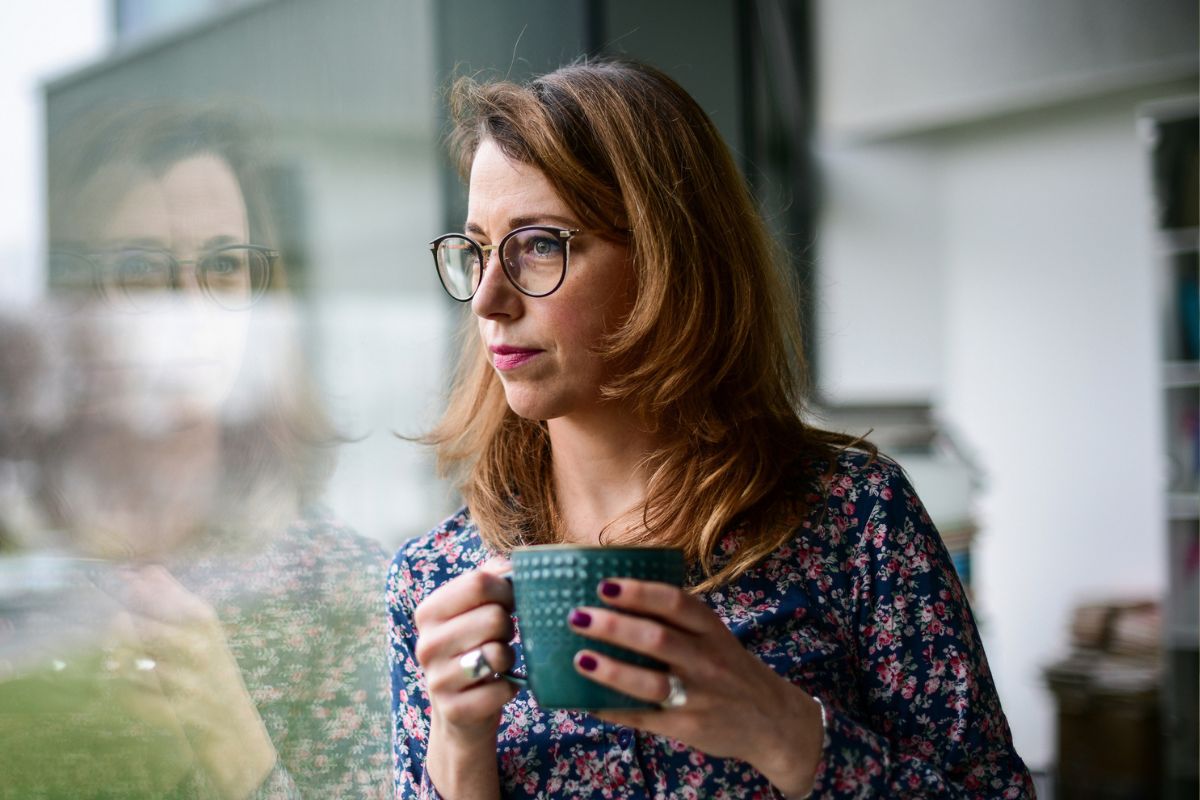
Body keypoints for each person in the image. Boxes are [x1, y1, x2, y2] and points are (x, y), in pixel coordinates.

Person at [387, 60, 1035, 799]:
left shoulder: (853, 518)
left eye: (540, 244)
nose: (489, 299)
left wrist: (782, 731)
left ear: (669, 256)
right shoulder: (436, 577)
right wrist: (460, 747)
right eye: (476, 250)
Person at [0, 104, 391, 798]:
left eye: (223, 266)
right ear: (72, 299)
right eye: (144, 270)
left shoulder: (339, 586)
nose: (187, 305)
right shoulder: (20, 566)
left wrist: (232, 743)